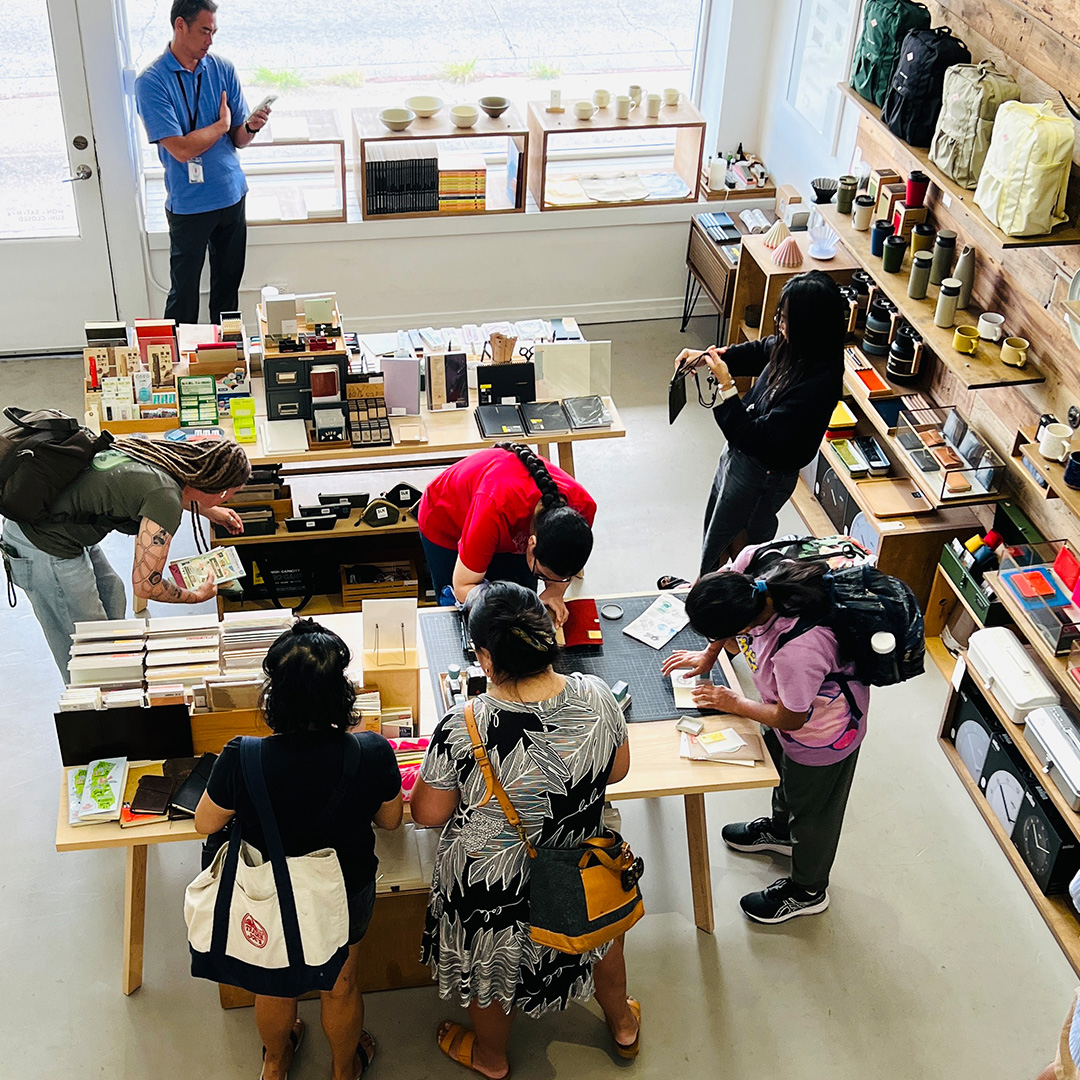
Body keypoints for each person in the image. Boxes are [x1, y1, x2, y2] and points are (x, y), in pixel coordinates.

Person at [411, 582, 639, 1079]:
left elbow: (427, 813)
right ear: (549, 633)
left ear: (486, 660)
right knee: (604, 940)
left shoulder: (464, 724)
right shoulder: (598, 695)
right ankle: (623, 1025)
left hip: (493, 886)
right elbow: (618, 770)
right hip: (580, 866)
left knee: (490, 969)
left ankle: (492, 1058)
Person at [194, 620, 403, 1080]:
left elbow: (205, 823)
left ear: (274, 696)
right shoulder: (371, 751)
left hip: (268, 889)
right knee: (341, 985)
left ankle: (275, 1062)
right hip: (345, 887)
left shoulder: (242, 755)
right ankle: (344, 1070)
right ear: (340, 693)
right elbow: (390, 821)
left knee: (274, 982)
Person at [662, 546, 868, 923]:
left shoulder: (797, 651)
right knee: (784, 775)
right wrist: (709, 655)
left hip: (823, 733)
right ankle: (779, 831)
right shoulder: (751, 570)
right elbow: (729, 615)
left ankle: (808, 890)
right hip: (783, 706)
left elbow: (791, 718)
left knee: (813, 813)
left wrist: (733, 702)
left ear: (743, 627)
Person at [0, 438, 250, 681]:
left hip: (63, 522)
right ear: (220, 491)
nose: (228, 500)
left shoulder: (163, 458)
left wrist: (209, 510)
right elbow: (146, 586)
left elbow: (155, 490)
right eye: (230, 495)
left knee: (113, 593)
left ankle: (116, 671)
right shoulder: (165, 498)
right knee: (87, 643)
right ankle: (94, 696)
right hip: (41, 542)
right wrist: (196, 596)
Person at [660, 270, 845, 587]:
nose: (780, 326)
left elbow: (754, 437)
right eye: (780, 317)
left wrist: (727, 386)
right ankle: (702, 588)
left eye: (787, 320)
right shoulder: (795, 345)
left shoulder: (818, 384)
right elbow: (763, 350)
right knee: (719, 530)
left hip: (765, 475)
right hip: (742, 460)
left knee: (744, 548)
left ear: (810, 325)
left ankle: (715, 599)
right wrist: (708, 356)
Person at [134, 0, 272, 324]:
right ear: (180, 26)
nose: (210, 40)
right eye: (204, 31)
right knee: (183, 295)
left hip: (231, 194)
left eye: (214, 32)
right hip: (189, 203)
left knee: (227, 293)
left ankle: (228, 353)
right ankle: (174, 355)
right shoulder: (151, 81)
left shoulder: (222, 68)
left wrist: (250, 126)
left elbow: (238, 138)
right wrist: (221, 126)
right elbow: (181, 150)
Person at [416, 444, 596, 627]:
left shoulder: (582, 510)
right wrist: (506, 612)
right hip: (448, 517)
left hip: (501, 519)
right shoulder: (494, 508)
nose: (546, 580)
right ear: (531, 543)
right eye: (542, 575)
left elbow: (563, 567)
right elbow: (463, 587)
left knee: (521, 603)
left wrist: (555, 591)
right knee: (465, 618)